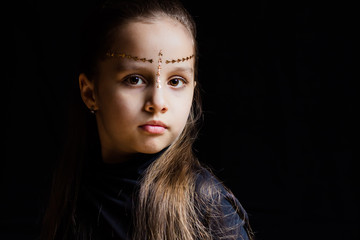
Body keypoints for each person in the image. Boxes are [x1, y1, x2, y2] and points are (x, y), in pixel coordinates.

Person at [40, 0, 254, 239]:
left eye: (175, 81)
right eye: (134, 79)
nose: (158, 102)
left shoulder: (208, 207)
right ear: (90, 93)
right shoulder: (73, 191)